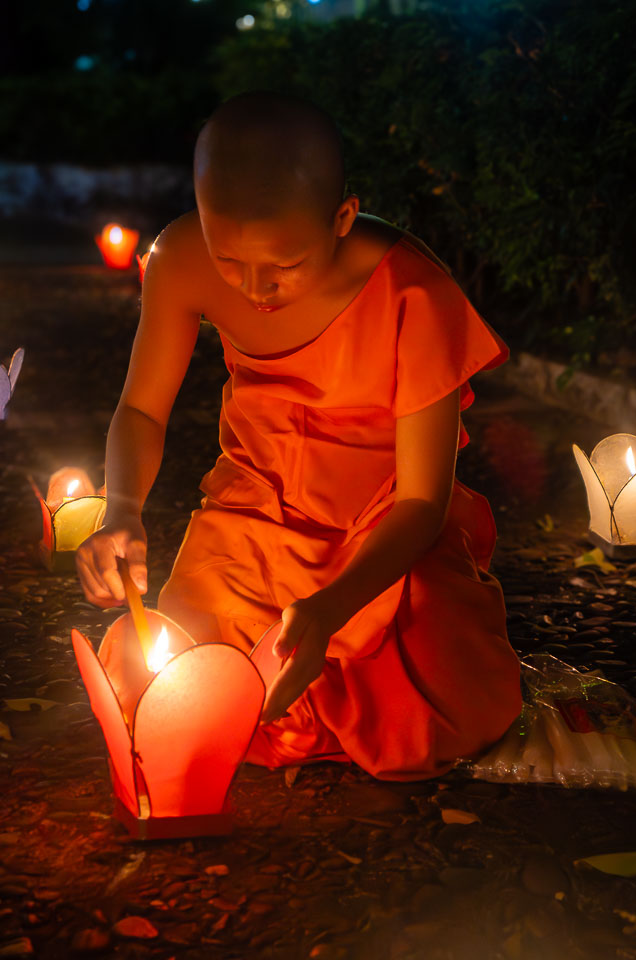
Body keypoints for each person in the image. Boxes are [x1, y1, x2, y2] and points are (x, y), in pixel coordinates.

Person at [76, 91, 522, 781]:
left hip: (379, 529)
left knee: (442, 697)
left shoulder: (413, 291)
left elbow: (421, 505)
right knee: (167, 673)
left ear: (342, 218)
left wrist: (332, 607)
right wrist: (123, 510)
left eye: (284, 264)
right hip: (255, 513)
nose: (256, 289)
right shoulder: (181, 257)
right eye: (230, 262)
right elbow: (141, 411)